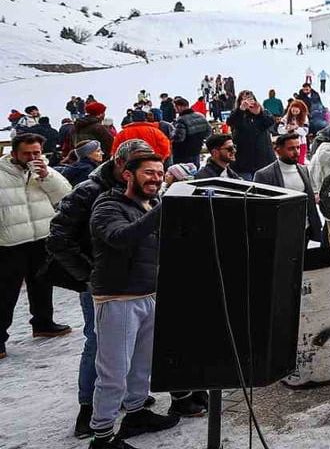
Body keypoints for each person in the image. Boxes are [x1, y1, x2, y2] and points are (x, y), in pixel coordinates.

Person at [87, 153, 183, 447]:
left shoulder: (151, 203)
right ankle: (102, 436)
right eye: (148, 173)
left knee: (142, 365)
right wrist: (166, 209)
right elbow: (120, 237)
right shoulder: (107, 206)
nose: (155, 178)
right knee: (114, 372)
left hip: (149, 294)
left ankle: (137, 413)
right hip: (118, 299)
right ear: (128, 175)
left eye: (159, 173)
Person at [1, 134, 75, 363]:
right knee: (5, 292)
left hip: (41, 237)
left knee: (42, 282)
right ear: (14, 153)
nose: (33, 157)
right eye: (27, 153)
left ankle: (43, 323)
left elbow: (67, 195)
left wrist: (46, 176)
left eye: (36, 153)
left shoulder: (46, 172)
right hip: (9, 242)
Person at [252, 133, 325, 246]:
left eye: (298, 147)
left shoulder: (304, 170)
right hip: (280, 232)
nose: (296, 152)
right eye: (291, 148)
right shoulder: (264, 175)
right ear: (278, 150)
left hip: (304, 229)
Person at [227, 90, 276, 177]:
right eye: (244, 99)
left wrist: (259, 113)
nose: (248, 102)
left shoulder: (263, 112)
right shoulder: (237, 114)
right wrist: (241, 110)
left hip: (264, 160)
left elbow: (270, 122)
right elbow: (231, 122)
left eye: (250, 99)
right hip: (243, 161)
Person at [168, 97, 210, 166]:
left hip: (183, 153)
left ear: (179, 107)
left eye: (175, 107)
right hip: (197, 149)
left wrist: (171, 134)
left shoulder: (181, 120)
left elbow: (179, 138)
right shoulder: (200, 116)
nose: (174, 109)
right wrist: (199, 139)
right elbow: (208, 132)